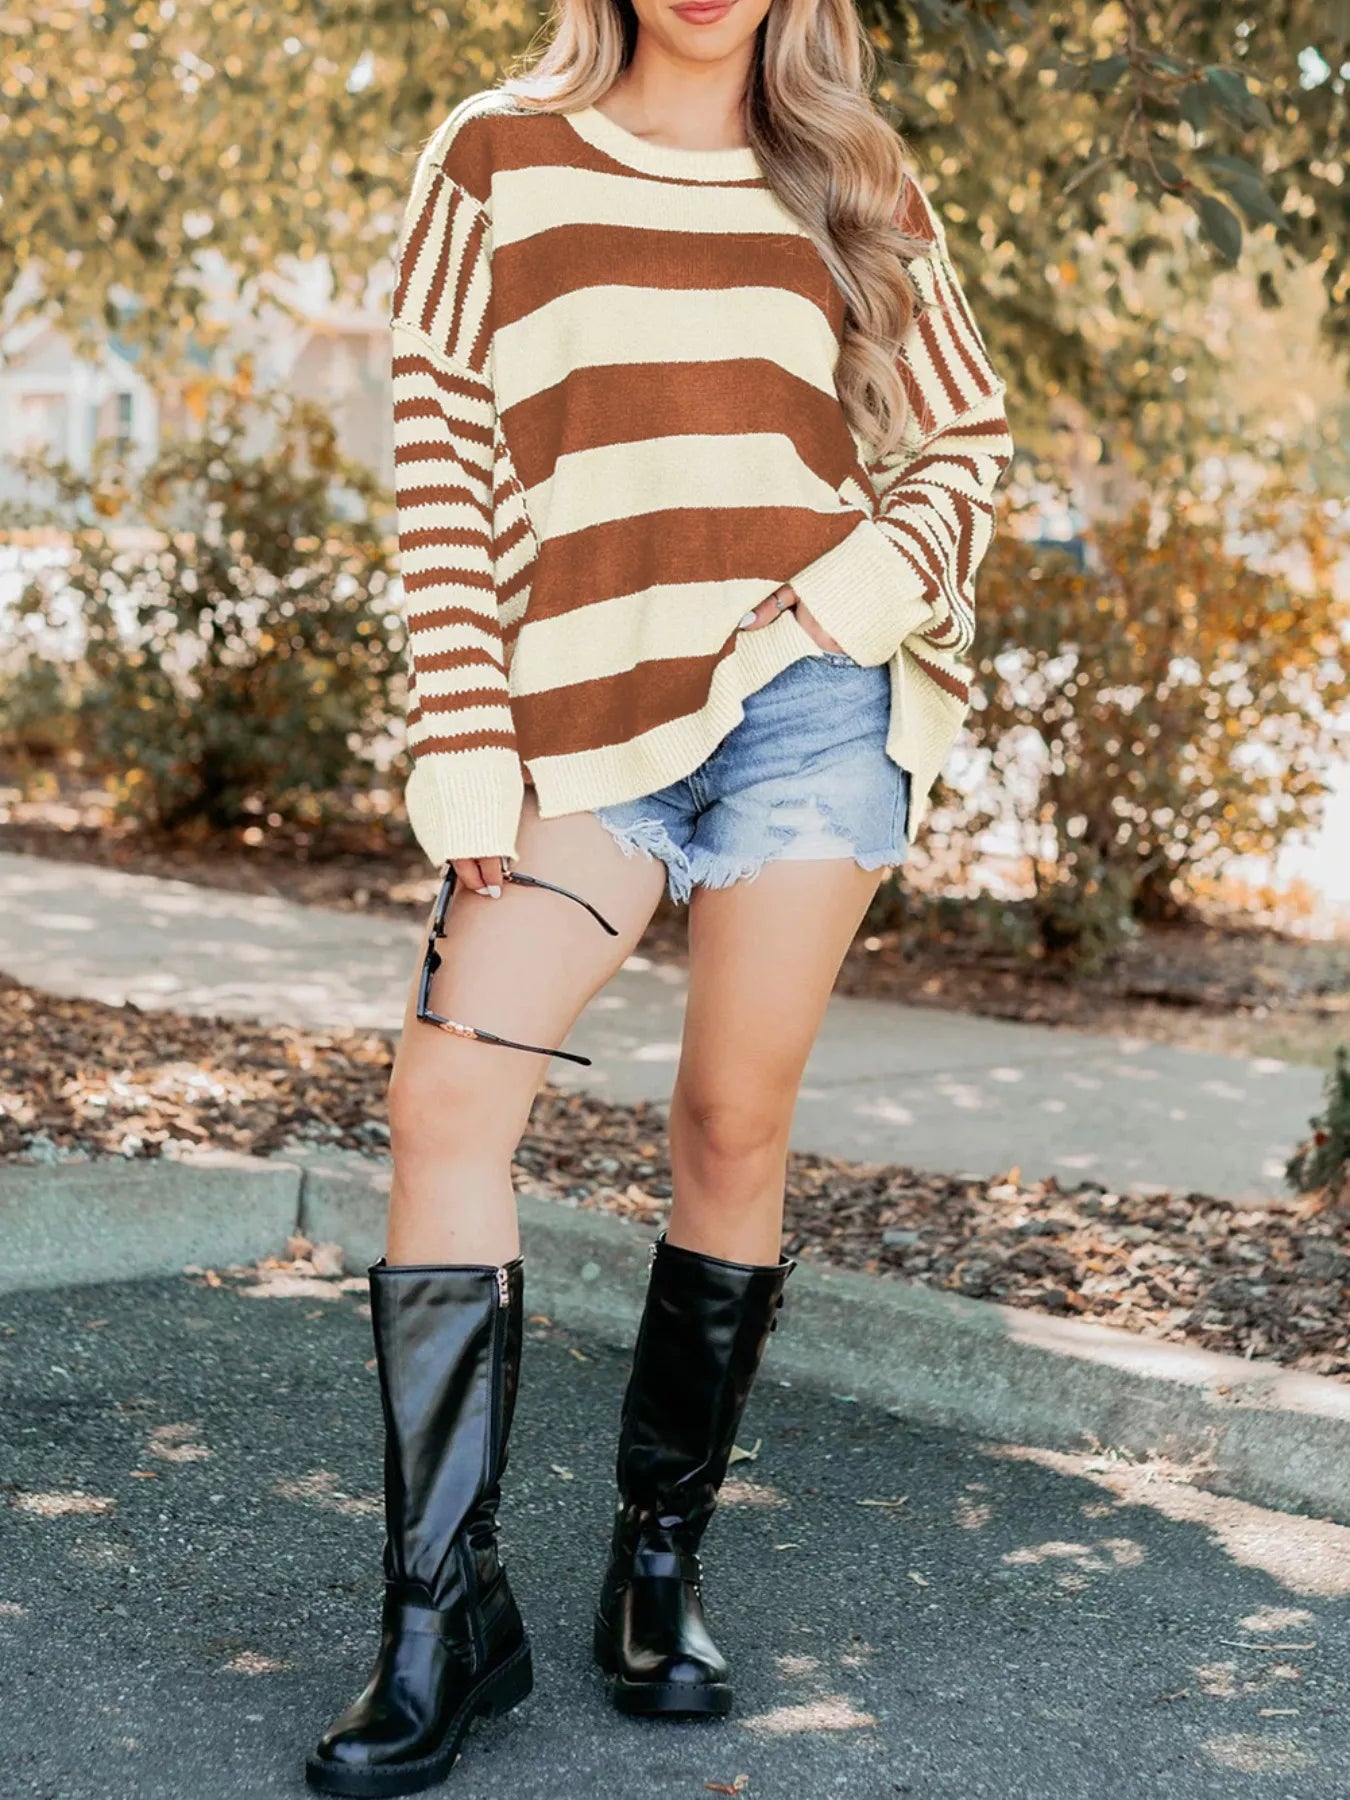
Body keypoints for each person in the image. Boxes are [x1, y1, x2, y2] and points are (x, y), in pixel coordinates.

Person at [305, 0, 1013, 1788]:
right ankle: (438, 1616)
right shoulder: (496, 154)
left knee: (724, 1124)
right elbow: (442, 476)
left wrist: (848, 601)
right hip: (580, 726)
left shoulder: (849, 171)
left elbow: (965, 441)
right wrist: (464, 741)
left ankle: (653, 1567)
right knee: (447, 1096)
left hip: (811, 712)